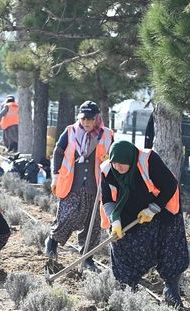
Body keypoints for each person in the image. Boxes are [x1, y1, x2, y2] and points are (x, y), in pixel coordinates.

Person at [100, 140, 188, 307]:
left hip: (161, 208)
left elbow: (170, 185)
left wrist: (153, 209)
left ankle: (171, 288)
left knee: (169, 246)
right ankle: (127, 290)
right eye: (114, 163)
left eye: (121, 164)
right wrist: (115, 220)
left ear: (131, 161)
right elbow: (107, 199)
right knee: (122, 245)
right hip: (126, 211)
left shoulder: (149, 160)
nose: (117, 167)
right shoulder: (107, 170)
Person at [46, 100, 114, 271]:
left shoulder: (107, 135)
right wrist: (55, 175)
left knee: (93, 223)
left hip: (96, 186)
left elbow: (114, 156)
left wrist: (109, 163)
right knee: (67, 217)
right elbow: (58, 152)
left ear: (97, 118)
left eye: (90, 119)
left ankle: (87, 257)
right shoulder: (70, 132)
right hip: (71, 184)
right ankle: (53, 241)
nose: (86, 123)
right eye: (84, 119)